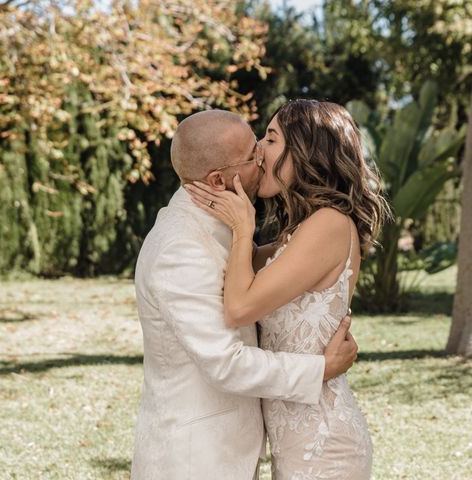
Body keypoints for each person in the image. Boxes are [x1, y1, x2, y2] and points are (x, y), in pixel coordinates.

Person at [130, 109, 359, 480]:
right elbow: (226, 362)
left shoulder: (229, 230)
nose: (262, 158)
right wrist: (321, 368)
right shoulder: (180, 247)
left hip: (279, 446)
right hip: (196, 460)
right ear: (219, 180)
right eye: (254, 153)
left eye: (265, 141)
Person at [185, 100, 390, 479]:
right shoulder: (298, 234)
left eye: (272, 138)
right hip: (296, 443)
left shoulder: (328, 223)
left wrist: (244, 226)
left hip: (323, 445)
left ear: (308, 153)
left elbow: (239, 308)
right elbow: (232, 274)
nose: (259, 150)